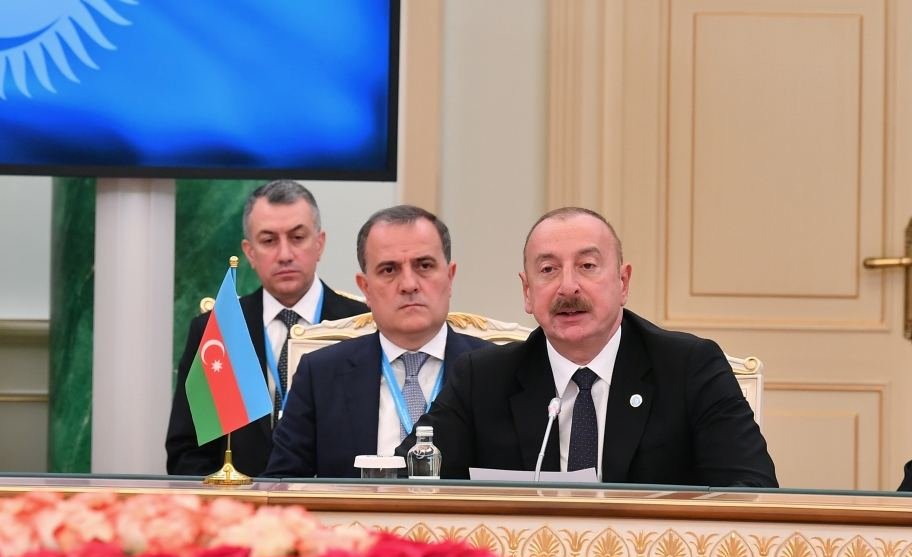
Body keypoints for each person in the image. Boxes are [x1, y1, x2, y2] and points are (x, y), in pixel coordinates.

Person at [397, 207, 778, 487]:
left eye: (588, 266)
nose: (568, 287)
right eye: (548, 270)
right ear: (527, 292)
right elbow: (408, 481)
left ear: (623, 282)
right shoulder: (482, 379)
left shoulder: (689, 368)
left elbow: (750, 490)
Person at [264, 205, 490, 478]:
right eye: (389, 269)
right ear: (365, 288)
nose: (409, 284)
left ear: (450, 277)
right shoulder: (320, 374)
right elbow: (281, 483)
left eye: (424, 266)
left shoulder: (493, 371)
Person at [166, 180, 369, 476]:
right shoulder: (220, 329)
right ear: (249, 252)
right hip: (240, 502)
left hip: (333, 501)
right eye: (269, 240)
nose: (285, 254)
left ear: (319, 244)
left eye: (297, 237)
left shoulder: (362, 324)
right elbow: (187, 453)